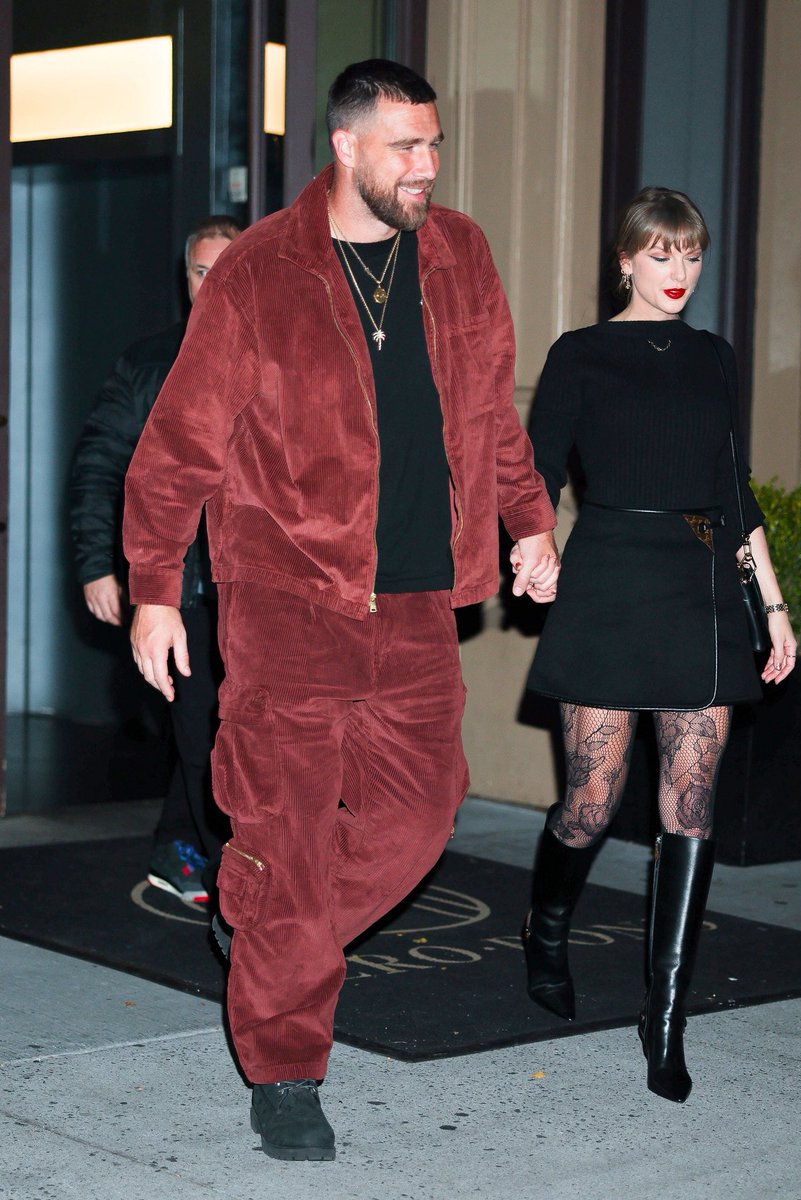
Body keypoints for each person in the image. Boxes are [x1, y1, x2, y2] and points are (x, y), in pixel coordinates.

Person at [122, 59, 559, 1162]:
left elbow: (492, 411)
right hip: (286, 605)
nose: (427, 166)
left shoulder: (460, 254)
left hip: (415, 603)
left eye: (435, 144)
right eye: (406, 146)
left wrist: (528, 520)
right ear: (347, 145)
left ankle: (262, 924)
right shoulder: (260, 271)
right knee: (289, 838)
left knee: (419, 817)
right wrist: (155, 589)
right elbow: (179, 444)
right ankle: (286, 1070)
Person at [521, 187, 797, 1104]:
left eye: (692, 255)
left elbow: (735, 487)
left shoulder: (715, 358)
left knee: (690, 804)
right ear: (626, 260)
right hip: (608, 580)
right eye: (661, 254)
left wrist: (773, 607)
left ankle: (665, 1017)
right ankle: (545, 928)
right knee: (591, 803)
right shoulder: (580, 352)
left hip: (699, 587)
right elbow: (536, 467)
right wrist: (534, 546)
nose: (680, 272)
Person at [70, 215, 242, 903]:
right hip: (182, 586)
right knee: (203, 731)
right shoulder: (149, 362)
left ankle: (177, 849)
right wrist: (97, 565)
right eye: (202, 270)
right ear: (186, 276)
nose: (214, 282)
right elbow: (99, 465)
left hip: (257, 583)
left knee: (234, 727)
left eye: (227, 268)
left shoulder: (277, 353)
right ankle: (235, 882)